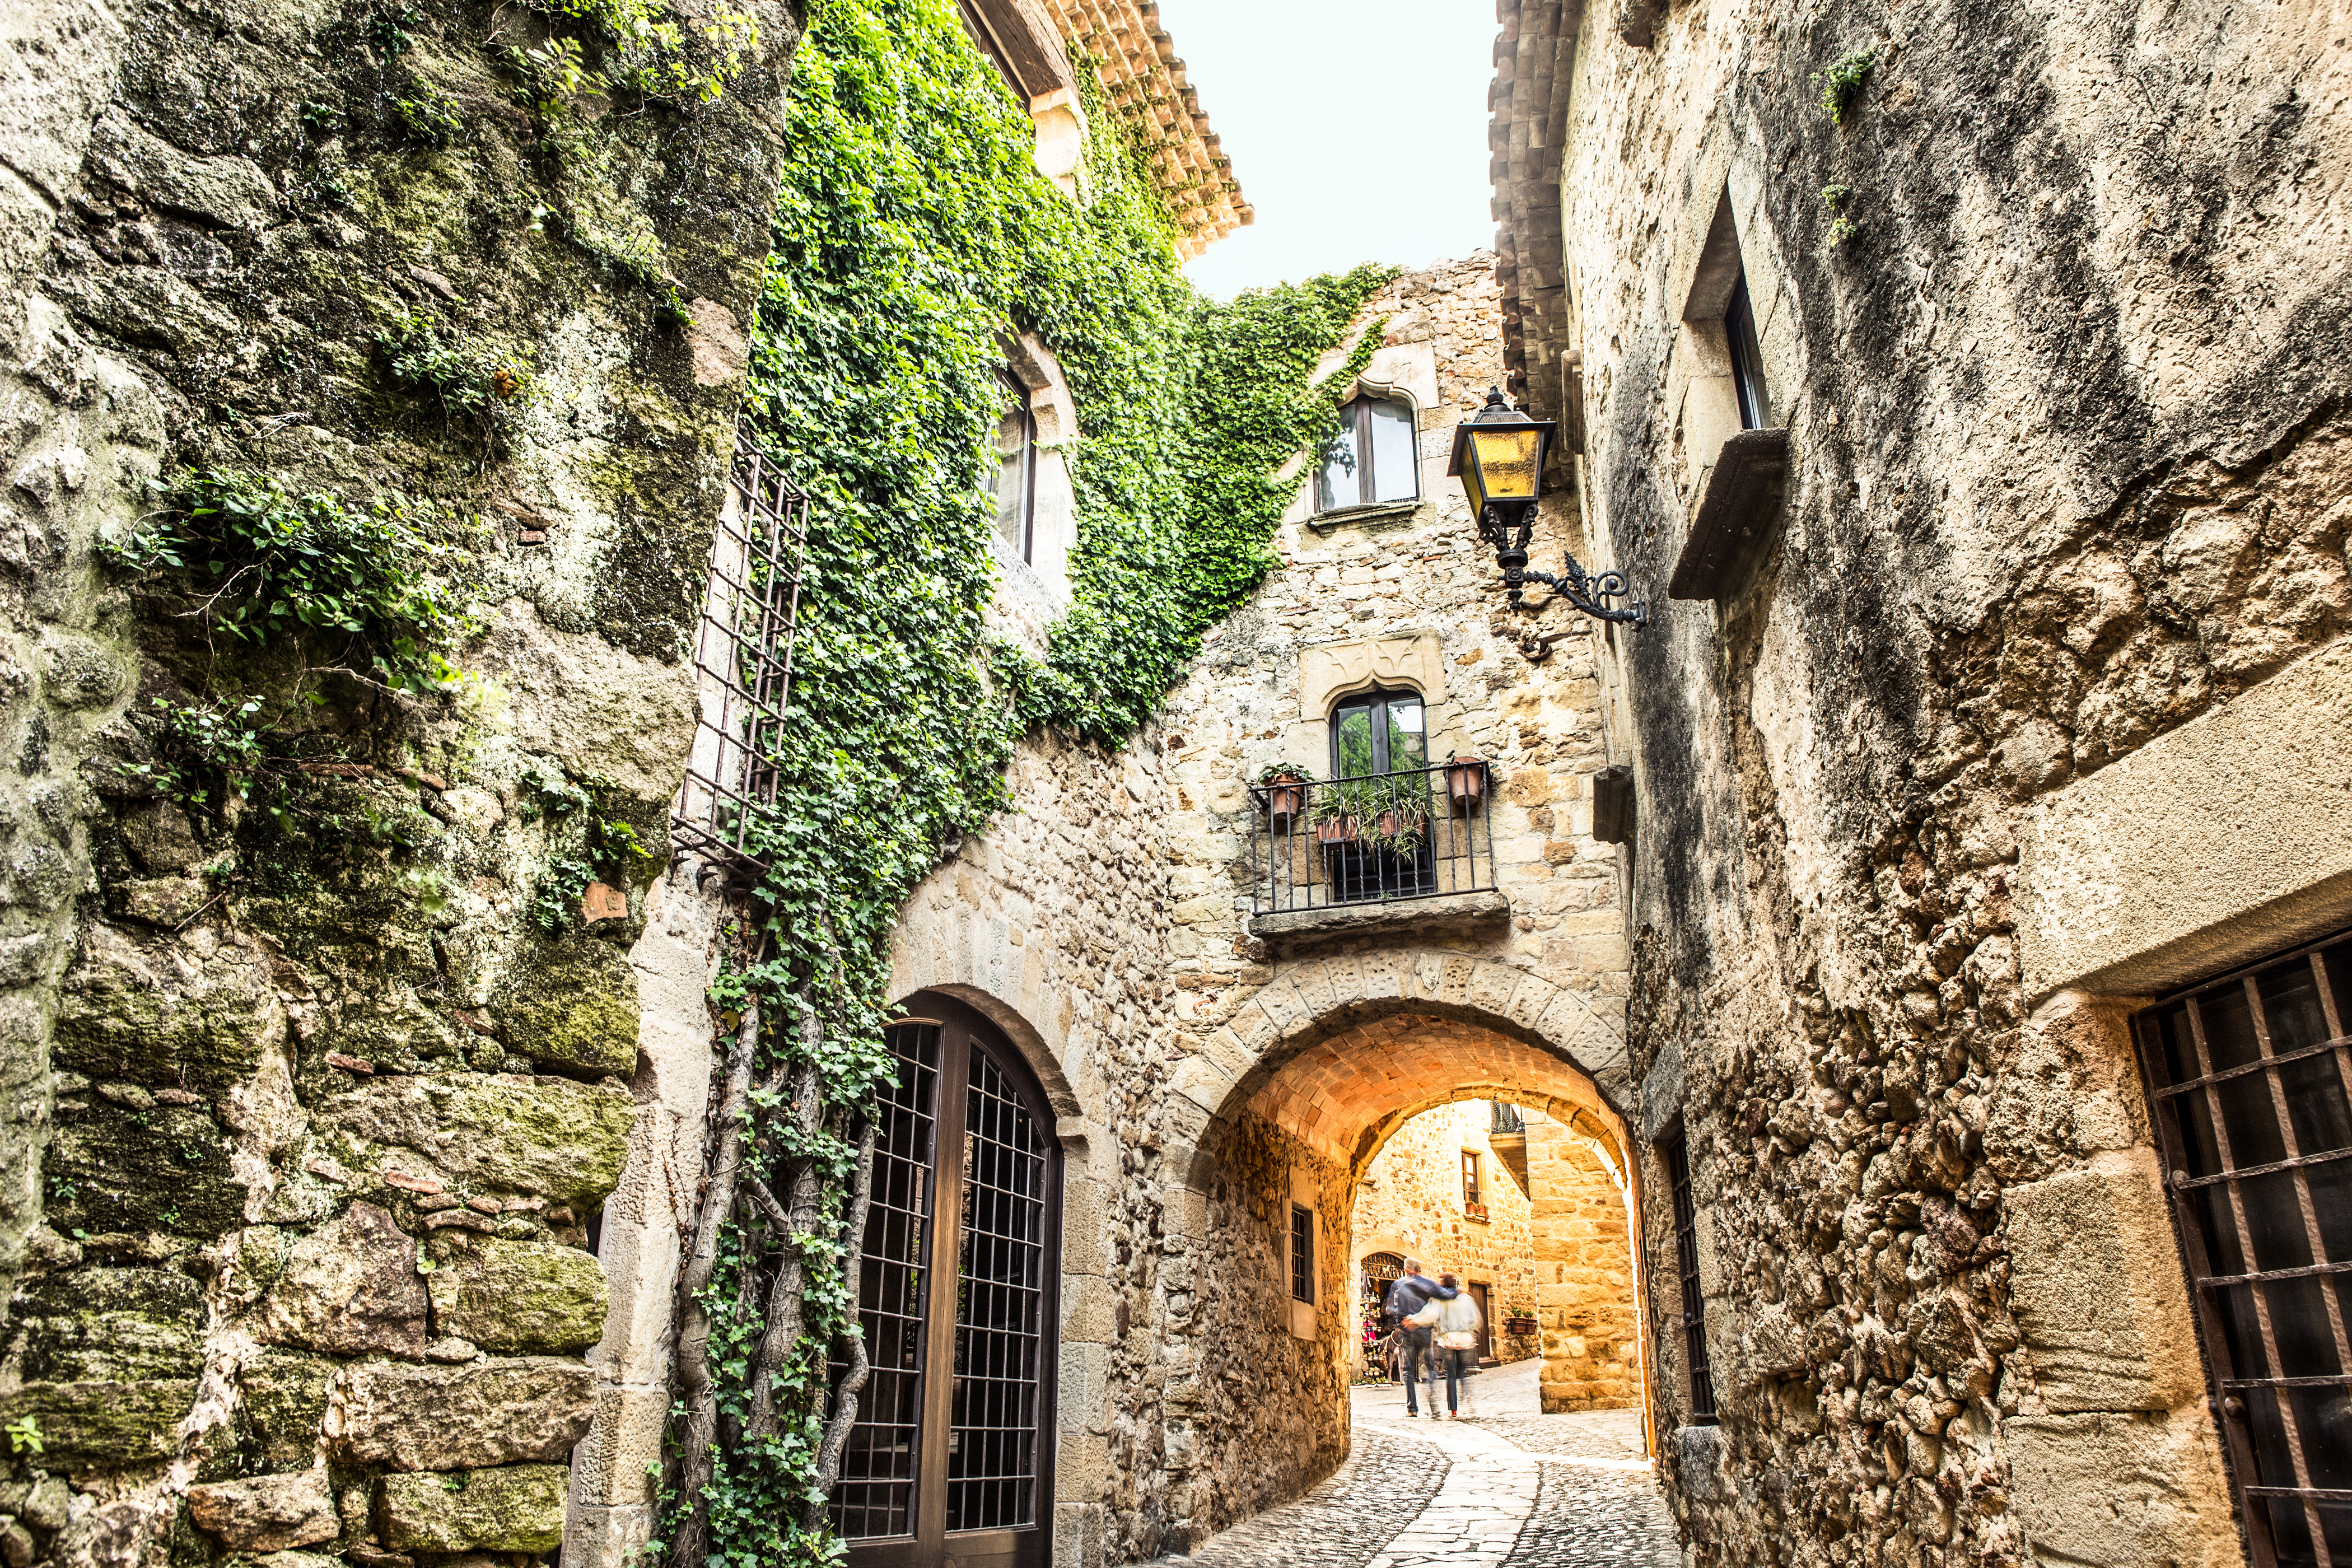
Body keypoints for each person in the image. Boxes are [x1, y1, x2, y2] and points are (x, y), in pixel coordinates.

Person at [1380, 1259, 1457, 1417]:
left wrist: (1401, 1322)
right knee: (1429, 1368)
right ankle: (1433, 1405)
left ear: (1406, 1269)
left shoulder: (1398, 1285)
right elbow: (1446, 1295)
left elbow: (1390, 1308)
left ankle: (1412, 1408)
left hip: (1407, 1330)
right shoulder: (1428, 1284)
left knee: (1409, 1369)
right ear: (1418, 1270)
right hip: (1424, 1331)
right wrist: (1458, 1291)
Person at [1408, 1273, 1483, 1418]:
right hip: (1464, 1339)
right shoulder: (1466, 1299)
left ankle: (1453, 1409)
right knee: (1462, 1371)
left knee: (1450, 1374)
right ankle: (1468, 1399)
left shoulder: (1440, 1300)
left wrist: (1413, 1320)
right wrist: (1471, 1331)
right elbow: (1475, 1318)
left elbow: (1429, 1315)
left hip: (1448, 1339)